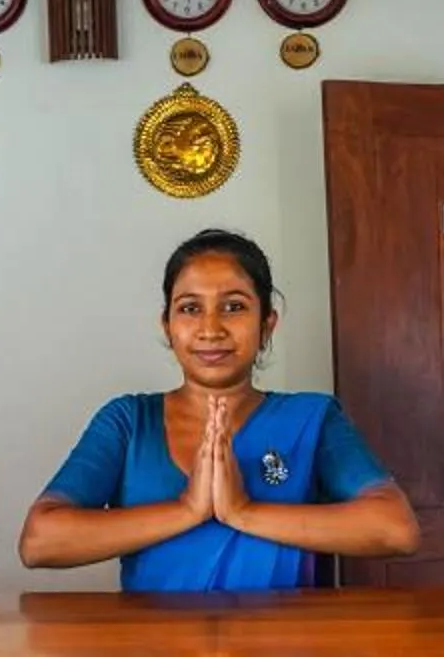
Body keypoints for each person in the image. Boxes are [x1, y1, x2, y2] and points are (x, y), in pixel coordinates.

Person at [22, 229, 417, 590]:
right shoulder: (128, 421)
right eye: (190, 308)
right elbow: (41, 542)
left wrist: (243, 511)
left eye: (233, 306)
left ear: (267, 323)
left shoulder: (312, 418)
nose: (211, 329)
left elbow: (395, 529)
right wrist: (187, 509)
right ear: (167, 325)